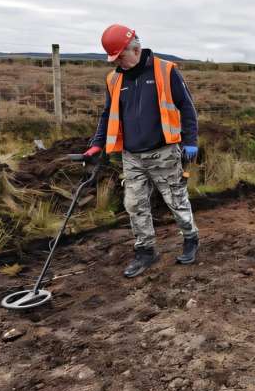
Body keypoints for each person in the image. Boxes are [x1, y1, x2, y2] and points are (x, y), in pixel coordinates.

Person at [84, 24, 200, 278]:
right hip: (131, 156)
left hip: (163, 152)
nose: (118, 63)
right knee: (135, 204)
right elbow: (108, 114)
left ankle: (190, 238)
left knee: (176, 200)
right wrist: (96, 143)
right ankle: (145, 251)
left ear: (135, 49)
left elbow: (187, 107)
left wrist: (190, 140)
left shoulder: (165, 70)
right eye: (114, 59)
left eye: (120, 57)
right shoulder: (114, 79)